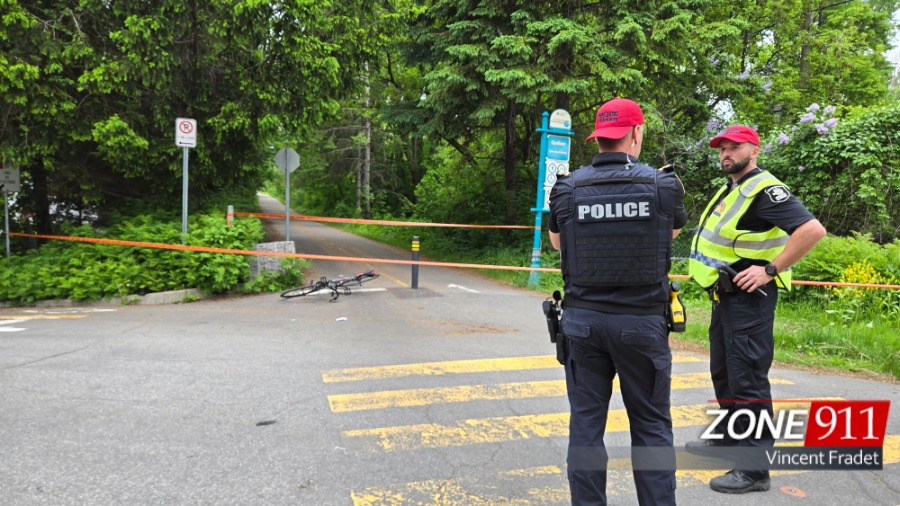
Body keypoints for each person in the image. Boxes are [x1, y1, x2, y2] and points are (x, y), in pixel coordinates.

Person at [548, 97, 687, 506]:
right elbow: (668, 238)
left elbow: (559, 245)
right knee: (651, 426)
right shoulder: (664, 185)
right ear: (636, 134)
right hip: (641, 324)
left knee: (586, 427)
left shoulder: (567, 187)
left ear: (599, 137)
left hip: (583, 324)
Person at [685, 125, 826, 494]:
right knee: (724, 372)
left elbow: (812, 230)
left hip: (750, 300)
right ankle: (729, 440)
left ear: (755, 151)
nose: (726, 154)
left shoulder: (766, 190)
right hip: (725, 296)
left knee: (747, 379)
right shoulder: (733, 187)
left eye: (734, 147)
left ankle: (754, 470)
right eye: (722, 148)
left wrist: (769, 270)